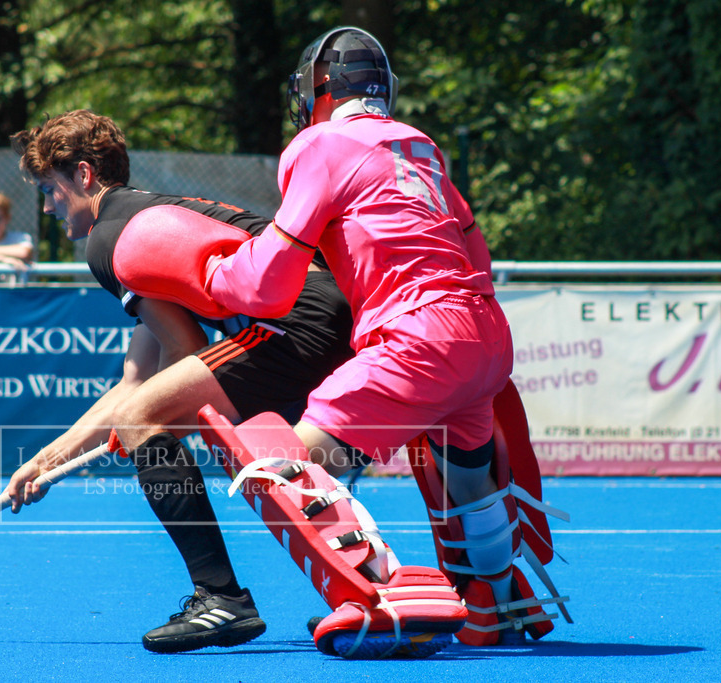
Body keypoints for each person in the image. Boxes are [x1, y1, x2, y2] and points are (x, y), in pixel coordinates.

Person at [198, 27, 567, 649]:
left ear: (317, 89)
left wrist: (211, 274)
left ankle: (387, 598)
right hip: (483, 333)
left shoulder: (318, 145)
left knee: (285, 465)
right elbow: (473, 245)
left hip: (417, 332)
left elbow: (266, 286)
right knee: (471, 484)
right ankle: (499, 602)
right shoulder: (421, 147)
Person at [3, 110, 354, 654]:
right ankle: (388, 592)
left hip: (300, 321)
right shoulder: (147, 217)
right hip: (337, 317)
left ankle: (221, 599)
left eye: (51, 190)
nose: (48, 207)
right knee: (157, 417)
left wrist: (144, 426)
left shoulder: (109, 239)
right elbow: (136, 379)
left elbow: (180, 358)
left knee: (144, 420)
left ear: (85, 176)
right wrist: (46, 462)